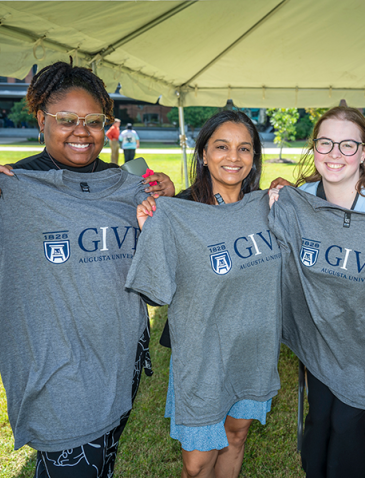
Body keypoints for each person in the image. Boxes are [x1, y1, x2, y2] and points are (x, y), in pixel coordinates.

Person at [0, 60, 175, 478]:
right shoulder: (14, 186)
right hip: (56, 368)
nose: (81, 131)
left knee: (103, 461)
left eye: (93, 121)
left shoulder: (126, 185)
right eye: (66, 120)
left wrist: (163, 205)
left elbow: (159, 270)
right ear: (41, 119)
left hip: (120, 357)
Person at [268, 106, 365, 478]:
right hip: (317, 334)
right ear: (314, 148)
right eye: (326, 142)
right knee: (320, 418)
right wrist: (277, 207)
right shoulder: (300, 199)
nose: (335, 153)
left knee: (348, 424)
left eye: (347, 144)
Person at [128, 110, 280, 478]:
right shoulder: (179, 211)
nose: (233, 157)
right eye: (221, 147)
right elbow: (155, 293)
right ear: (204, 154)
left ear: (254, 158)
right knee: (197, 465)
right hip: (203, 355)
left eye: (244, 148)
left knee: (237, 435)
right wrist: (151, 229)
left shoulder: (270, 208)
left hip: (254, 349)